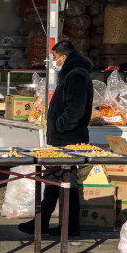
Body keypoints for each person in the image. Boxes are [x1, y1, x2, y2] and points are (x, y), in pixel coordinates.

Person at [18, 40, 94, 237]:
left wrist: (60, 126)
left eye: (54, 57)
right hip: (64, 139)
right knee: (56, 179)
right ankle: (46, 221)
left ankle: (65, 224)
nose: (53, 61)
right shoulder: (71, 73)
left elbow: (75, 110)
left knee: (64, 181)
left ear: (64, 57)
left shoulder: (76, 74)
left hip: (69, 139)